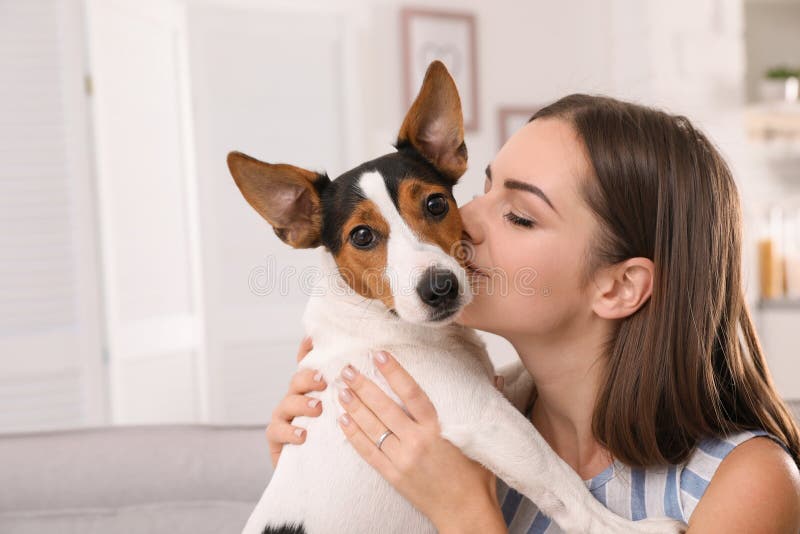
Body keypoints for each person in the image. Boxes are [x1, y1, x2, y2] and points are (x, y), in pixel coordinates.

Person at [265, 94, 800, 533]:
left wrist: (465, 514)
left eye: (519, 216)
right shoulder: (457, 426)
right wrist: (318, 469)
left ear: (618, 286)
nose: (463, 222)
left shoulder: (745, 483)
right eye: (482, 189)